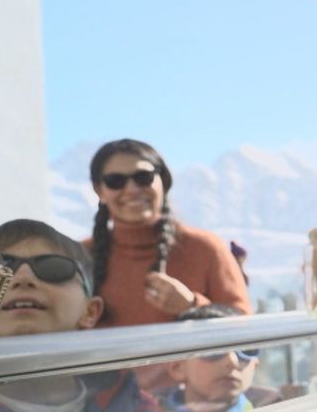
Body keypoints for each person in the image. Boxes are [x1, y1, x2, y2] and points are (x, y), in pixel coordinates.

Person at [0, 220, 164, 412]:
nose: (23, 277)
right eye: (0, 269)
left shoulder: (136, 407)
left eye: (53, 268)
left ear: (90, 312)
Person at [87, 138, 250, 327]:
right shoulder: (80, 256)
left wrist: (191, 306)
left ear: (163, 182)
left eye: (143, 177)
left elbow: (244, 325)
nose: (131, 189)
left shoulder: (205, 248)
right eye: (115, 181)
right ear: (99, 191)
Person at [158, 304, 280, 412]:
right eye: (212, 348)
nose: (232, 361)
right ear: (178, 367)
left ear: (255, 365)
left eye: (246, 349)